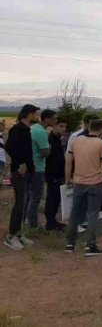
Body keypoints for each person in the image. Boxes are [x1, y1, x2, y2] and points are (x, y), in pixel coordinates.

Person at [65, 118, 102, 256]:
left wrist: (67, 178)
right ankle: (90, 245)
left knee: (75, 213)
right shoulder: (101, 143)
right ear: (101, 129)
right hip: (95, 182)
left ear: (88, 127)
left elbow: (69, 161)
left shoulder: (76, 141)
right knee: (92, 213)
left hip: (78, 181)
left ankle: (70, 244)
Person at [5, 105, 40, 251]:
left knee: (23, 201)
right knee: (19, 204)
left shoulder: (25, 130)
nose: (38, 117)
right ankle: (11, 236)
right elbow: (10, 147)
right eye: (36, 114)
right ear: (28, 114)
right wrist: (20, 164)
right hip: (19, 172)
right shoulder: (18, 129)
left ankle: (18, 233)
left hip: (26, 171)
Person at [26, 109, 56, 228]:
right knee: (36, 197)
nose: (55, 121)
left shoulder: (33, 129)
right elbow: (45, 152)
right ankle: (32, 224)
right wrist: (49, 147)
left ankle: (26, 220)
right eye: (54, 118)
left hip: (30, 166)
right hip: (38, 168)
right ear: (47, 119)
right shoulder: (41, 132)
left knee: (29, 196)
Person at [44, 120, 68, 232]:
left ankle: (53, 221)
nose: (63, 129)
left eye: (65, 126)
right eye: (61, 126)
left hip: (58, 174)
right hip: (53, 175)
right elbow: (51, 160)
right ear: (54, 126)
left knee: (56, 199)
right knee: (52, 199)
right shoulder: (50, 140)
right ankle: (50, 224)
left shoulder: (58, 140)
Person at [0, 120, 7, 191]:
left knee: (2, 173)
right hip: (1, 158)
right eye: (3, 125)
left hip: (3, 158)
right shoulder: (4, 135)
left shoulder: (5, 135)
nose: (4, 127)